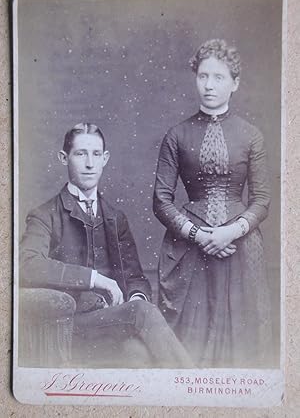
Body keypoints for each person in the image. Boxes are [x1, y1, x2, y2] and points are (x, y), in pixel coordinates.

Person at [20, 122, 193, 368]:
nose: (90, 164)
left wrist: (135, 296)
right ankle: (192, 385)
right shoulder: (45, 215)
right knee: (142, 313)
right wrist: (95, 279)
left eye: (96, 154)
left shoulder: (115, 217)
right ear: (64, 157)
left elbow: (135, 277)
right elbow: (27, 264)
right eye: (81, 154)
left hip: (110, 323)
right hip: (70, 326)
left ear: (105, 159)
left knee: (139, 356)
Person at [153, 39, 273, 368]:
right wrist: (199, 234)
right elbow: (161, 200)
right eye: (203, 76)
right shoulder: (177, 135)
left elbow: (262, 200)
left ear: (235, 83)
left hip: (241, 248)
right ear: (195, 78)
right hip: (190, 249)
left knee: (243, 343)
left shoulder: (251, 136)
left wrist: (229, 232)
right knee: (189, 344)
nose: (209, 85)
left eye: (218, 77)